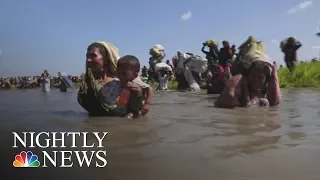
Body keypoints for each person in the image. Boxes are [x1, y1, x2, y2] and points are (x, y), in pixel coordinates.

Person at [77, 41, 144, 117]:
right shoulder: (86, 86)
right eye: (87, 56)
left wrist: (138, 94)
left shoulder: (122, 82)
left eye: (93, 56)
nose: (88, 60)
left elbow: (138, 110)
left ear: (105, 59)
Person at [215, 57, 281, 108]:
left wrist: (274, 74)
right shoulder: (239, 80)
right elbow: (229, 99)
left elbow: (274, 103)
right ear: (248, 74)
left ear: (266, 80)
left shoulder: (262, 95)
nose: (255, 80)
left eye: (260, 77)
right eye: (252, 75)